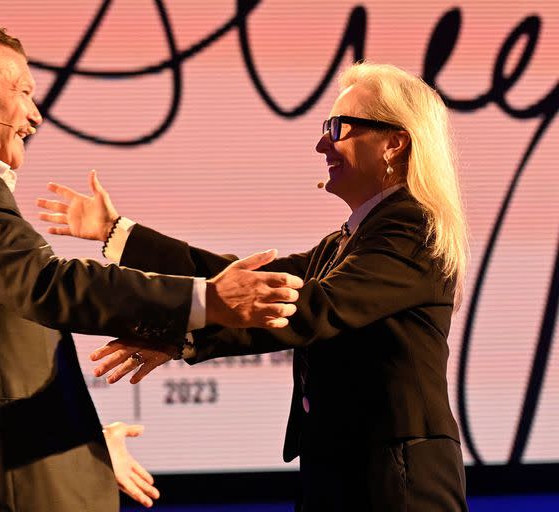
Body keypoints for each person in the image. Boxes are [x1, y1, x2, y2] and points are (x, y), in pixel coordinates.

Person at [0, 22, 304, 512]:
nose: (34, 115)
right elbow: (48, 285)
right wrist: (205, 299)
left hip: (9, 469)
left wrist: (83, 440)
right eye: (24, 92)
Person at [38, 62, 470, 511]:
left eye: (338, 128)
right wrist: (118, 233)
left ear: (394, 143)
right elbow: (241, 281)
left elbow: (314, 310)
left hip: (398, 478)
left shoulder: (412, 227)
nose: (322, 142)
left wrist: (182, 334)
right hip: (349, 467)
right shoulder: (348, 239)